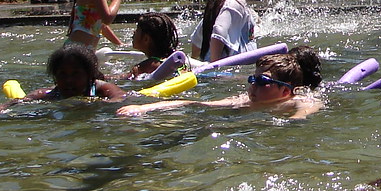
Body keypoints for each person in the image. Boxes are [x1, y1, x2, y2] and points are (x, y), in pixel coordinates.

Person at [116, 47, 323, 120]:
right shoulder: (243, 101)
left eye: (261, 81)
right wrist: (144, 107)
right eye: (253, 79)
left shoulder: (295, 101)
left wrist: (295, 119)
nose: (253, 86)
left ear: (286, 91)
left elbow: (310, 107)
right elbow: (192, 104)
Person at [0, 44, 125, 113]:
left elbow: (120, 96)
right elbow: (22, 101)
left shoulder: (100, 87)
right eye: (62, 75)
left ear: (89, 75)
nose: (69, 80)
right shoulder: (51, 93)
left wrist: (98, 105)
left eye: (76, 74)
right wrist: (0, 107)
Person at [126, 12, 180, 79]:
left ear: (146, 39)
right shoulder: (179, 61)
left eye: (137, 29)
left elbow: (122, 79)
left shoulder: (144, 67)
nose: (133, 32)